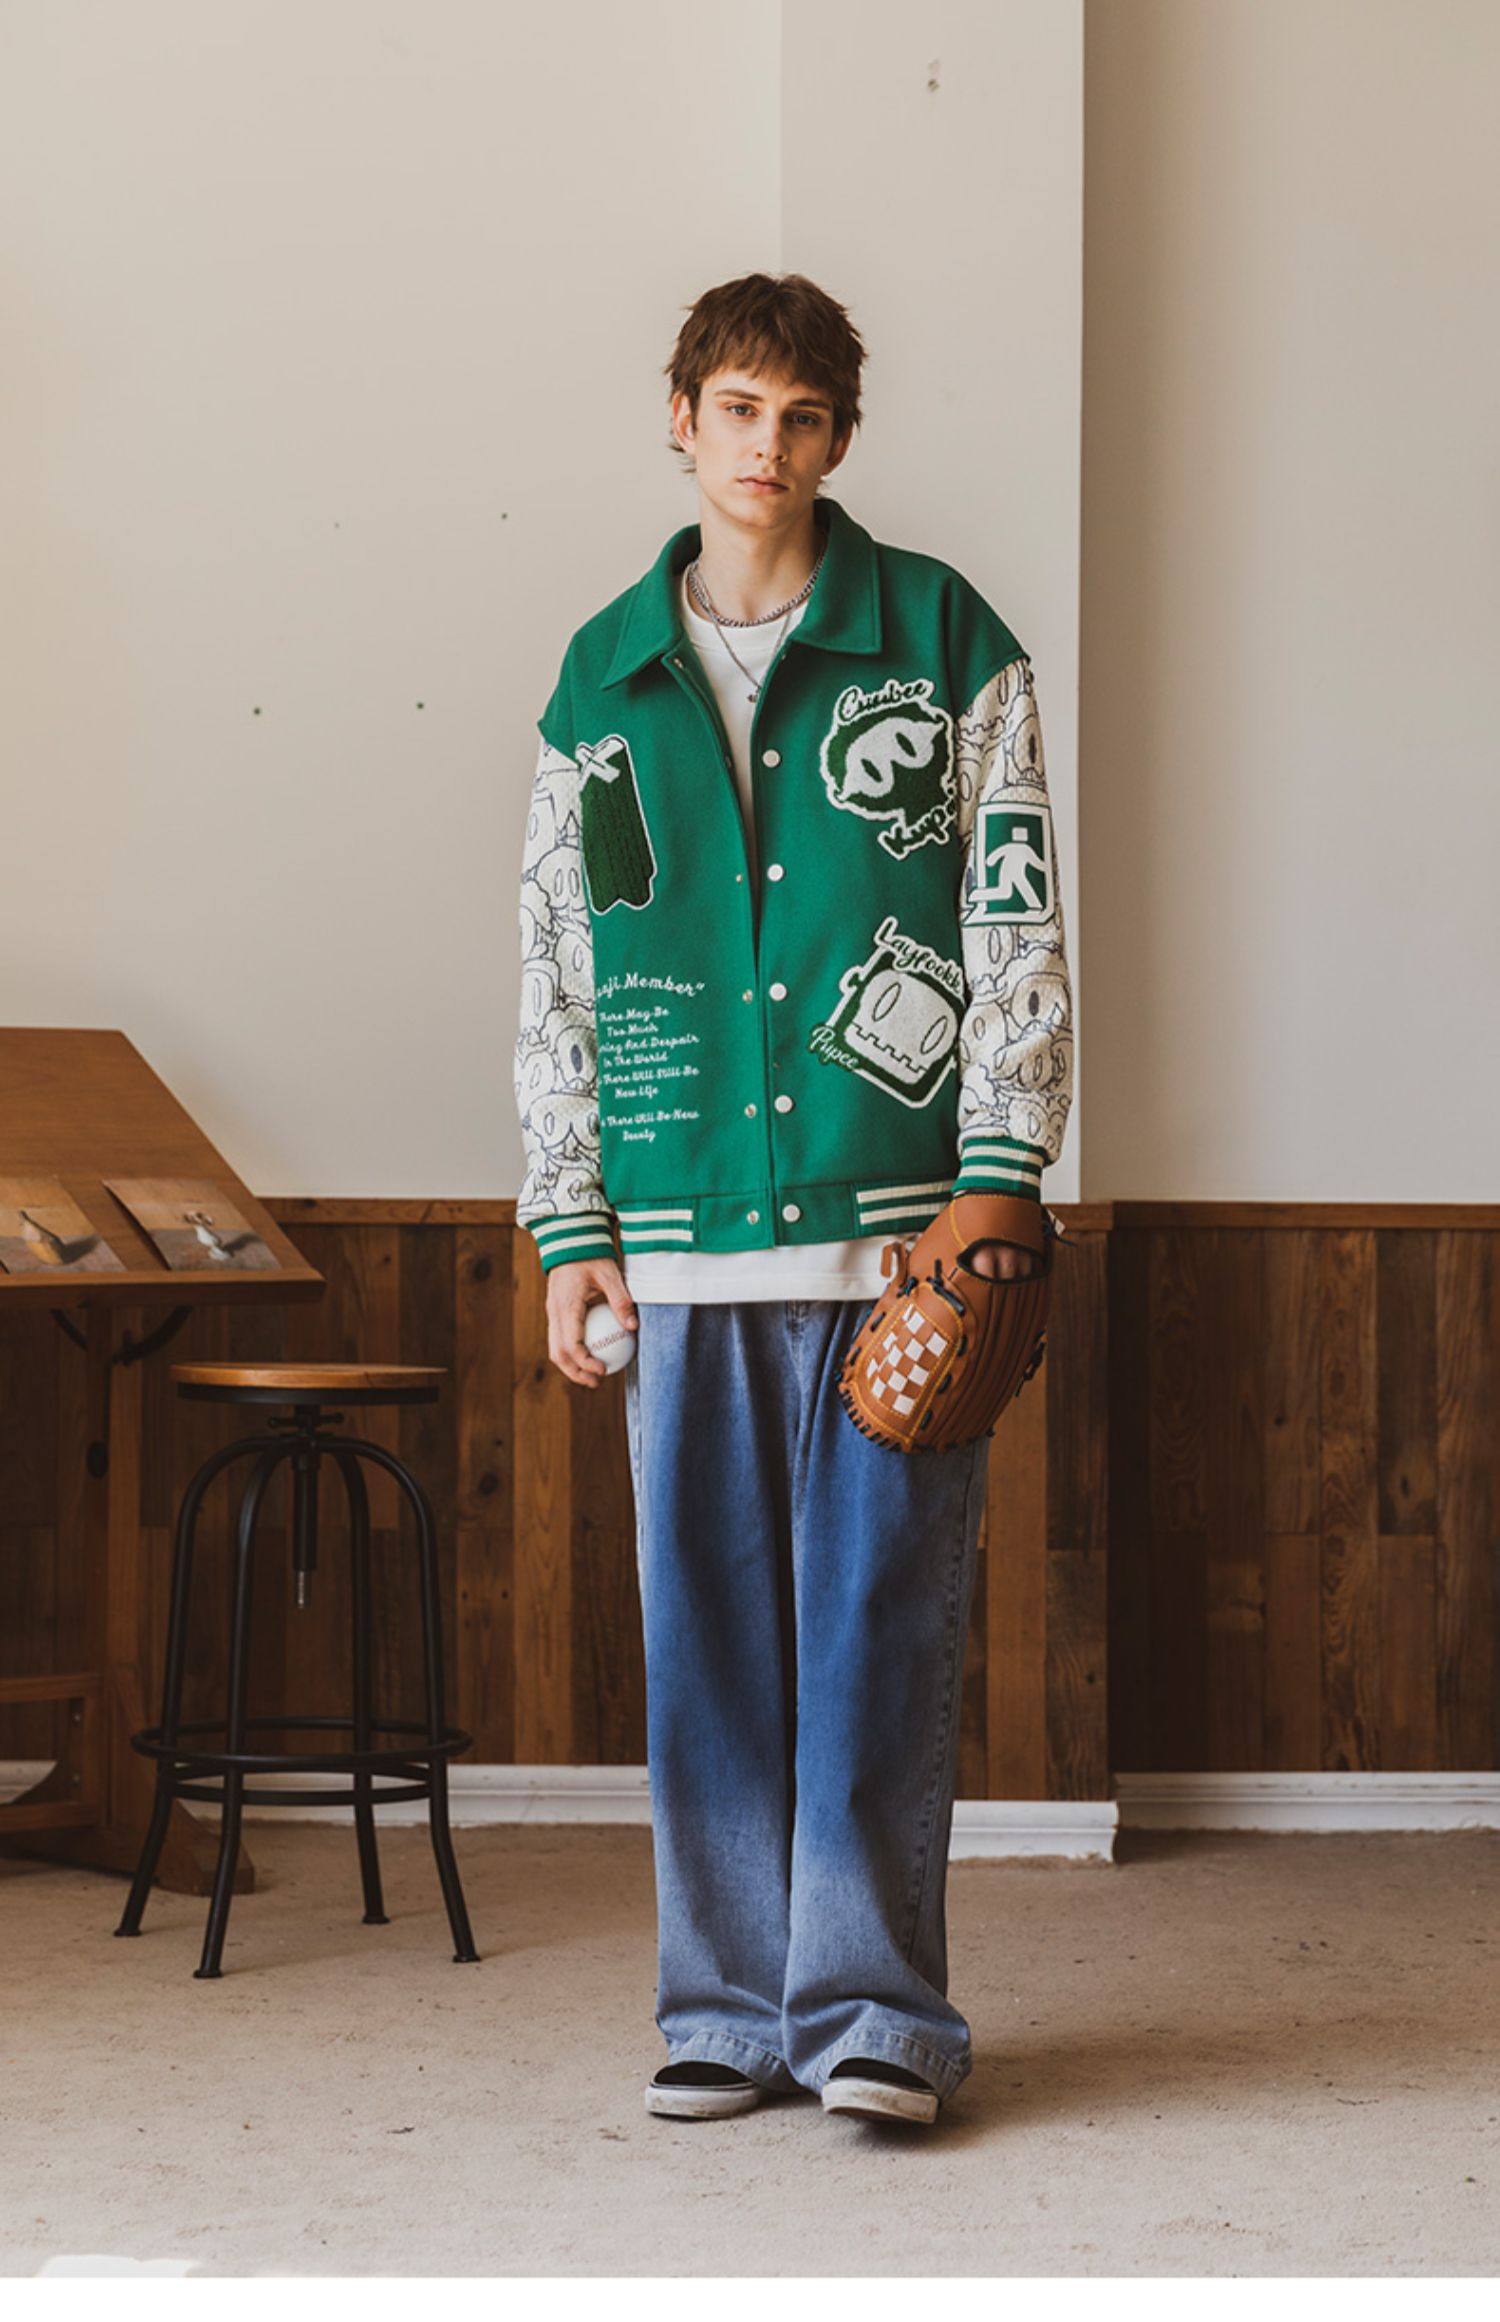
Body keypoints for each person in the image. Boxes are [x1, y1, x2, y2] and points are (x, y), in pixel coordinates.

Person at [513, 271, 1073, 2127]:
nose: (769, 445)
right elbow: (557, 963)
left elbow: (1013, 914)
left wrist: (1002, 1170)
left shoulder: (947, 638)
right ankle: (725, 2008)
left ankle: (875, 2016)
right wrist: (568, 1221)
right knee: (705, 1653)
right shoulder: (599, 679)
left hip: (903, 1237)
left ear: (841, 436)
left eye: (804, 416)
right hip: (678, 1239)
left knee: (879, 1638)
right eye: (740, 408)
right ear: (682, 416)